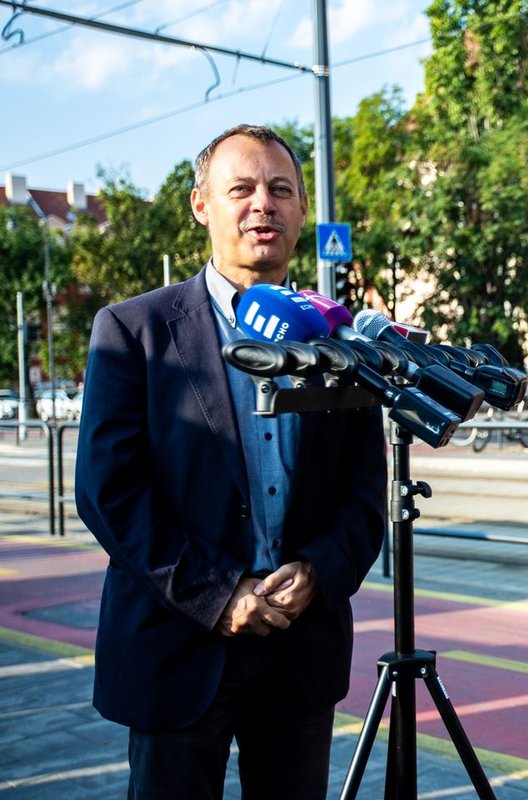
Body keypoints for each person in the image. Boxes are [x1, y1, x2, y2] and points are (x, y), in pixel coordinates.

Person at [74, 124, 386, 799]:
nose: (262, 205)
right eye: (240, 189)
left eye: (280, 190)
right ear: (201, 205)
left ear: (303, 209)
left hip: (299, 651)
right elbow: (108, 493)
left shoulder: (339, 339)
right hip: (176, 650)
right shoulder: (134, 330)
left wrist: (321, 572)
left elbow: (365, 494)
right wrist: (218, 597)